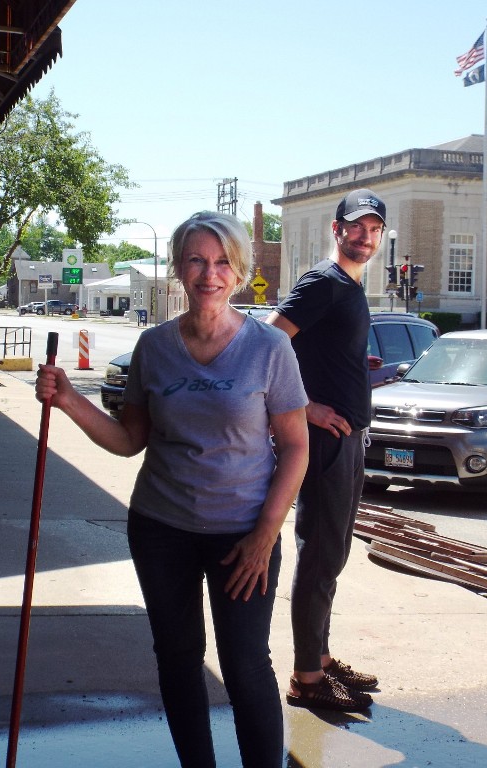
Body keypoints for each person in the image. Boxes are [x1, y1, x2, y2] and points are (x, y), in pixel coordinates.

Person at [35, 211, 309, 768]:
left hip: (243, 535)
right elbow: (129, 439)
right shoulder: (153, 347)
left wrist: (265, 535)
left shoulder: (269, 349)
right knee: (179, 659)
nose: (210, 274)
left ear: (239, 271)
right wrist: (69, 400)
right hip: (161, 530)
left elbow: (296, 447)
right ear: (179, 269)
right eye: (196, 261)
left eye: (223, 262)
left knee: (245, 665)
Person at [265, 188, 385, 712]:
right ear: (336, 230)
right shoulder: (323, 282)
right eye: (356, 226)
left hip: (349, 438)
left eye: (374, 229)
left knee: (333, 552)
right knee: (320, 553)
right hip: (325, 441)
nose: (365, 236)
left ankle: (321, 656)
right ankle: (307, 678)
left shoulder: (350, 287)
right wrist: (306, 407)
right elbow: (269, 342)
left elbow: (318, 350)